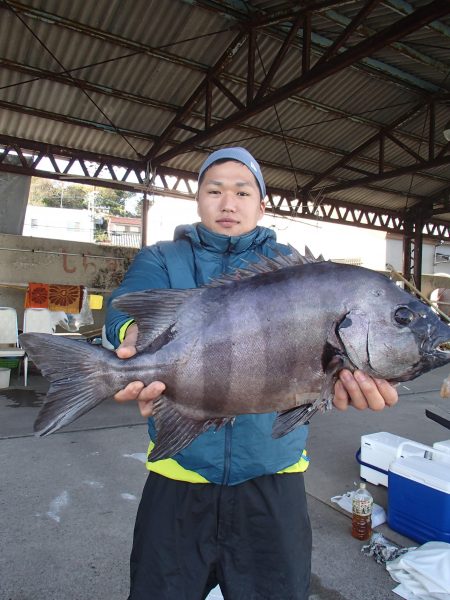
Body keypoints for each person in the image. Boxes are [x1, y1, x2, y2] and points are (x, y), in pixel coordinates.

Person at [105, 147, 398, 600]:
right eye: (215, 190)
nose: (228, 203)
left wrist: (341, 379)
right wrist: (133, 336)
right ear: (198, 200)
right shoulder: (163, 258)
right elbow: (124, 307)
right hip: (179, 475)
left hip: (273, 476)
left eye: (242, 191)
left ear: (262, 203)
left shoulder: (300, 270)